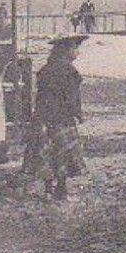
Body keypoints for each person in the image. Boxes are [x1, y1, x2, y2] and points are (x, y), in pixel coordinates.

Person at [29, 33, 88, 201]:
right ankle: (61, 189)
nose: (77, 52)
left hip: (45, 116)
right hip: (62, 117)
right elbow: (72, 97)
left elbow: (40, 97)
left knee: (47, 151)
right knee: (63, 152)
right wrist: (78, 113)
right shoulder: (70, 71)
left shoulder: (46, 69)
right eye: (75, 48)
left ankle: (48, 189)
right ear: (65, 50)